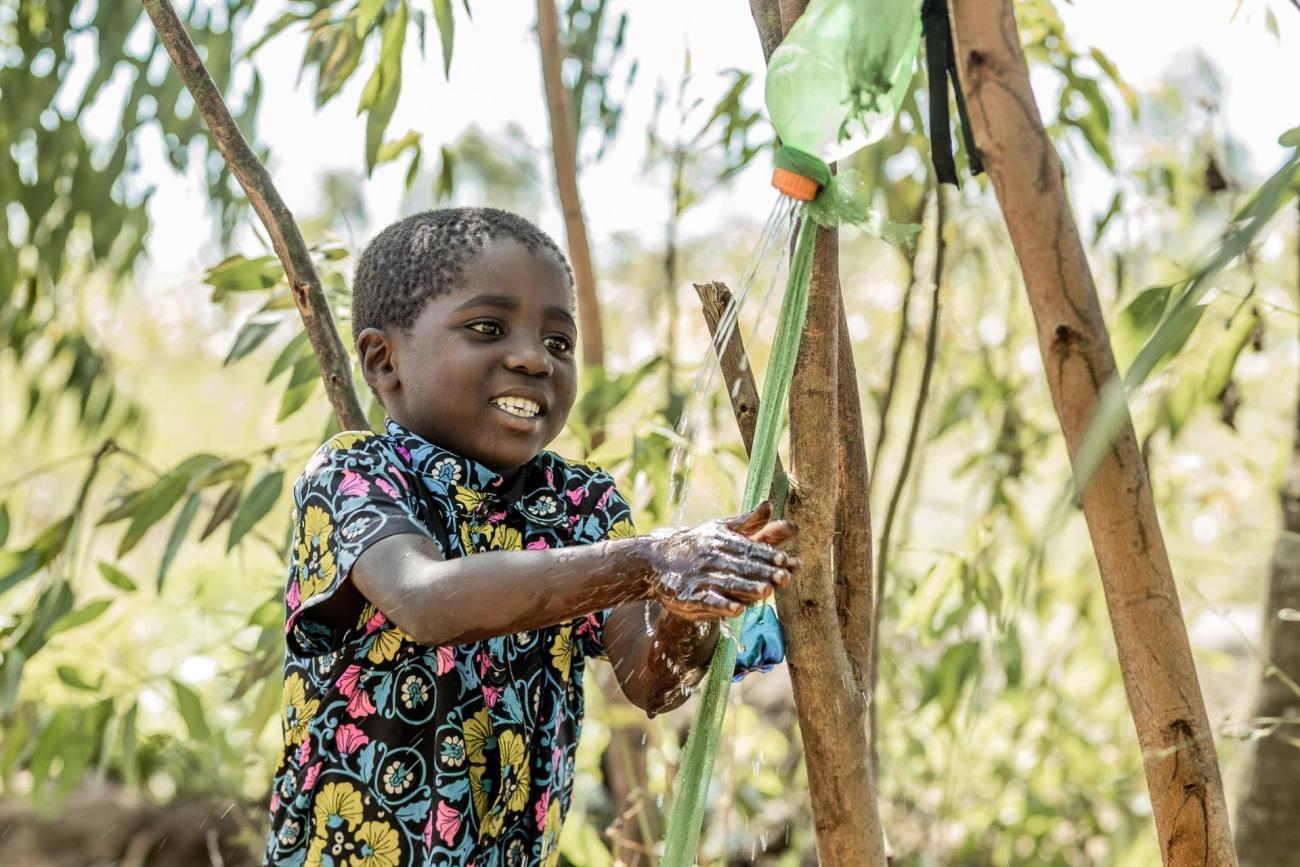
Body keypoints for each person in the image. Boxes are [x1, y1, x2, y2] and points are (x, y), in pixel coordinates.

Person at [261, 207, 798, 867]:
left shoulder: (582, 504)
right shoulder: (355, 474)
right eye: (488, 328)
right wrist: (650, 558)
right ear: (383, 360)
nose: (532, 358)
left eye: (558, 342)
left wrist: (687, 614)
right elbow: (427, 601)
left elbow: (652, 681)